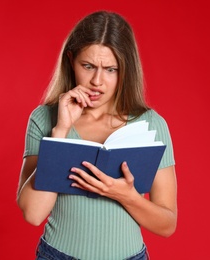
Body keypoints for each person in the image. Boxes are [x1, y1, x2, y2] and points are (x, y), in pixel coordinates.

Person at [17, 10, 177, 260]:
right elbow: (33, 214)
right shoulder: (44, 119)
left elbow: (167, 225)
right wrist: (60, 133)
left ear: (126, 70)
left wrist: (126, 196)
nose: (97, 81)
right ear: (71, 60)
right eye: (88, 66)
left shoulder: (151, 125)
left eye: (111, 69)